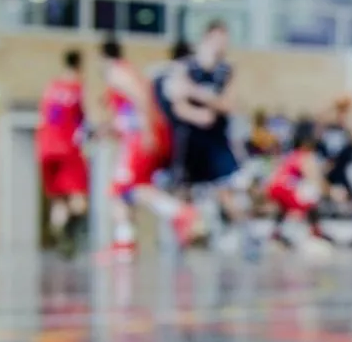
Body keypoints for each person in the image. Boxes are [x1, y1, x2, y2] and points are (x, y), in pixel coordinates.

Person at [167, 20, 255, 246]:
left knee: (225, 189)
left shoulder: (226, 70)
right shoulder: (186, 67)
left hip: (216, 137)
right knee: (183, 190)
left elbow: (229, 104)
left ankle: (247, 237)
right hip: (191, 137)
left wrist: (202, 96)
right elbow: (178, 103)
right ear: (206, 39)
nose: (221, 45)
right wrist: (197, 114)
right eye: (217, 39)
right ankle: (182, 240)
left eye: (224, 41)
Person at [101, 37, 177, 259]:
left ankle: (178, 212)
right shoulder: (125, 72)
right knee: (123, 191)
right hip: (134, 136)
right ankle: (125, 241)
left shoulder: (116, 71)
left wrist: (147, 131)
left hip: (138, 138)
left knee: (125, 188)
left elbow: (142, 98)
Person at [266, 122, 352, 249]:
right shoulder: (306, 156)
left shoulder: (292, 155)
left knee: (286, 206)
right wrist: (332, 191)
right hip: (285, 189)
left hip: (275, 188)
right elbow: (315, 180)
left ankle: (276, 232)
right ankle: (315, 231)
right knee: (312, 196)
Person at [37, 50, 90, 257]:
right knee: (78, 199)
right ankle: (69, 233)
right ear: (79, 65)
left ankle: (59, 230)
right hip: (68, 148)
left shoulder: (50, 87)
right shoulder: (78, 87)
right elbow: (87, 118)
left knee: (58, 199)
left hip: (45, 147)